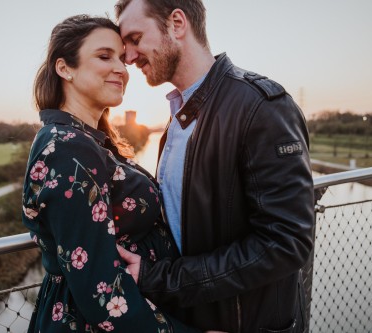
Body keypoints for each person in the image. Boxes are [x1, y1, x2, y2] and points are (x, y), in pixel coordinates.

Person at [114, 1, 315, 332]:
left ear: (177, 23)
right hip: (197, 320)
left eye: (135, 38)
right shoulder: (177, 121)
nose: (130, 57)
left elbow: (286, 242)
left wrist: (165, 280)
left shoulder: (261, 107)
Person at [22, 14, 201, 332]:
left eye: (122, 58)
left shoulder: (89, 141)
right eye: (105, 56)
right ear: (65, 68)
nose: (122, 68)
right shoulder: (66, 147)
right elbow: (100, 292)